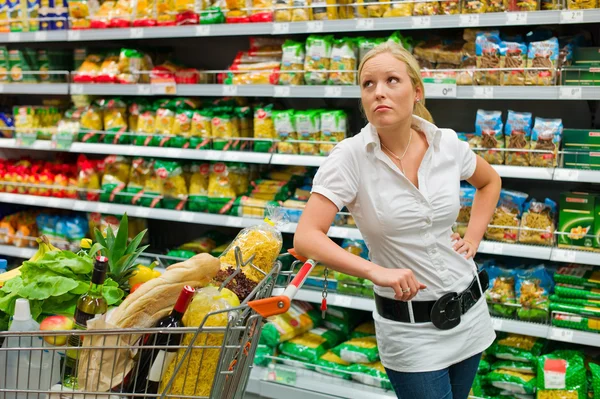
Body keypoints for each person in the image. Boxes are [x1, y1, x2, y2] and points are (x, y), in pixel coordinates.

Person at [294, 41, 502, 399]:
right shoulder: (350, 158)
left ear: (416, 91)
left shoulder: (447, 144)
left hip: (469, 312)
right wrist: (375, 271)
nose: (379, 92)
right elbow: (306, 237)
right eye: (368, 85)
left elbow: (489, 181)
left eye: (392, 80)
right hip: (409, 332)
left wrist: (473, 237)